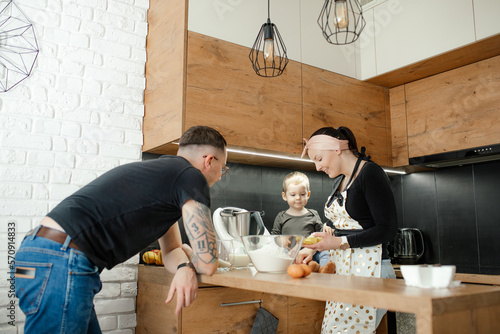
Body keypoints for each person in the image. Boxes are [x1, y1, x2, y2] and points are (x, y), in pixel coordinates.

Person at [14, 125, 228, 334]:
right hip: (61, 259)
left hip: (44, 255)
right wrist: (191, 265)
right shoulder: (191, 176)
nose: (220, 177)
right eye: (223, 169)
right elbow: (208, 263)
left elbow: (171, 251)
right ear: (209, 161)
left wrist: (184, 266)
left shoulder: (165, 181)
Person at [296, 126, 398, 334]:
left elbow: (387, 230)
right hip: (346, 272)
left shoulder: (370, 173)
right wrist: (313, 247)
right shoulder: (340, 182)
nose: (317, 167)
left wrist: (340, 243)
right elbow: (337, 229)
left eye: (318, 158)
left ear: (337, 149)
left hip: (372, 271)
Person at [271, 171, 323, 236]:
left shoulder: (313, 215)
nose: (298, 198)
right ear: (284, 196)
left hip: (308, 246)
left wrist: (327, 227)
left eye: (302, 194)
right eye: (293, 195)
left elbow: (321, 235)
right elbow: (274, 238)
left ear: (308, 195)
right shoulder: (281, 217)